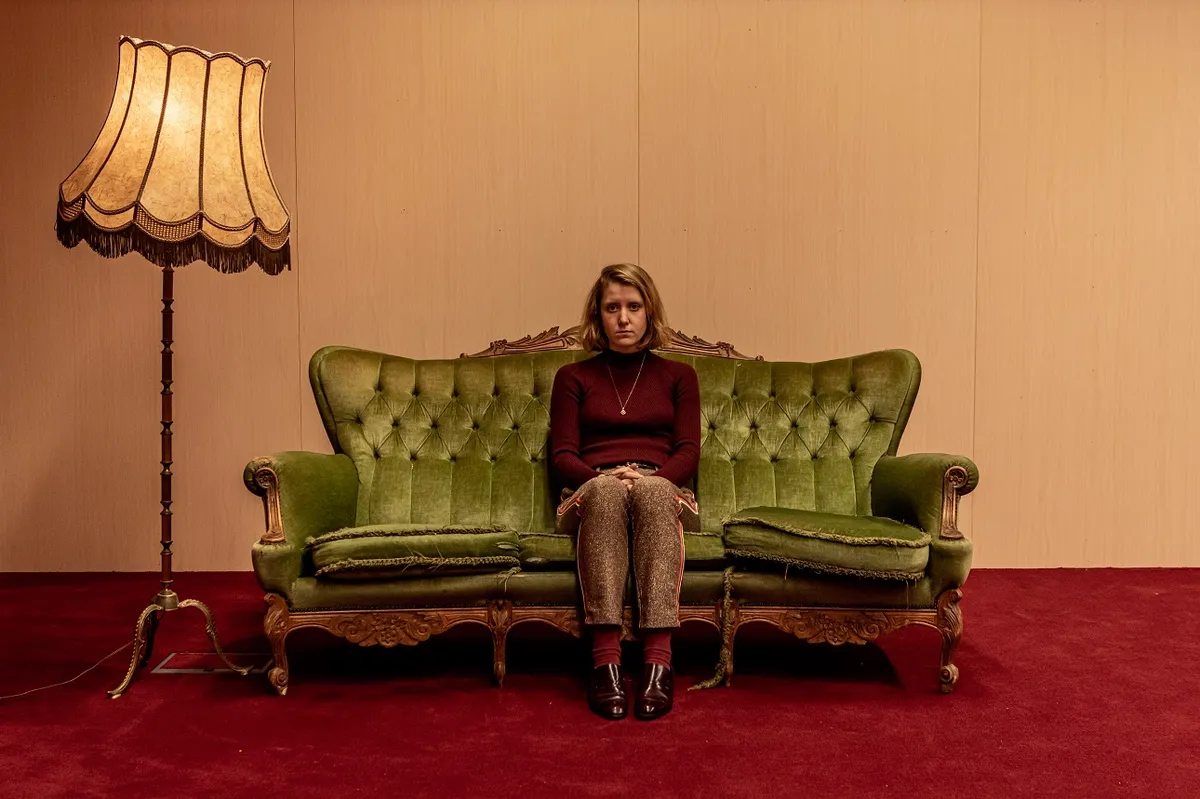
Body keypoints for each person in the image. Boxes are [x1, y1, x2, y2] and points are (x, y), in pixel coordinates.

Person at [549, 263, 701, 721]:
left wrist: (653, 480)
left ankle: (658, 664)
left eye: (633, 307)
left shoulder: (680, 375)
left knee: (652, 495)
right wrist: (604, 479)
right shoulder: (572, 377)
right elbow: (562, 455)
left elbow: (688, 451)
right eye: (612, 308)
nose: (623, 318)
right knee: (608, 494)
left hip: (660, 484)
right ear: (598, 315)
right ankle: (606, 664)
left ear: (649, 311)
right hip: (593, 486)